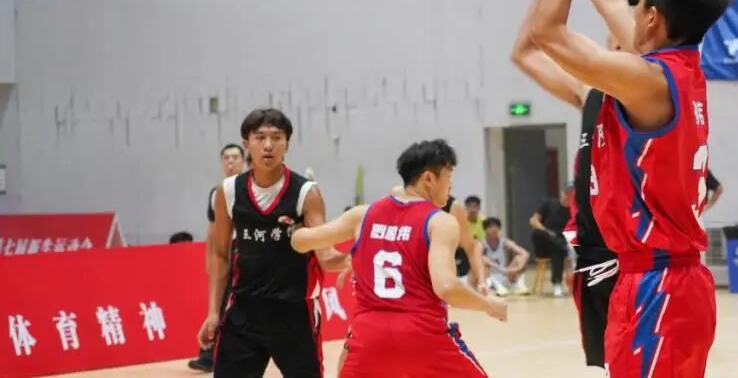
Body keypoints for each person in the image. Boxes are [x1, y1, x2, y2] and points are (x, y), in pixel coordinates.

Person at [529, 0, 730, 377]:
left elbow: (546, 33)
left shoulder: (647, 79)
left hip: (659, 285)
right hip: (656, 280)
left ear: (653, 18)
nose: (628, 10)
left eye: (637, 6)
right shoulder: (677, 65)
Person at [512, 0, 691, 371]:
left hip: (643, 258)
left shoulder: (648, 77)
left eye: (639, 13)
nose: (622, 17)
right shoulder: (613, 82)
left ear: (649, 25)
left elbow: (558, 27)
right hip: (605, 251)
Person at [290, 139, 507, 377]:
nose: (451, 185)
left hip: (368, 335)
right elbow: (446, 287)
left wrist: (349, 256)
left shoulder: (363, 214)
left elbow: (300, 242)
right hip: (422, 332)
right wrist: (489, 304)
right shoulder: (440, 222)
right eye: (448, 176)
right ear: (429, 178)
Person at [198, 109, 347, 378]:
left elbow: (325, 255)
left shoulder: (306, 193)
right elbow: (220, 255)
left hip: (294, 312)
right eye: (260, 137)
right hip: (244, 311)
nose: (268, 145)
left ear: (287, 144)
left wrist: (353, 259)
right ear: (247, 144)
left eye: (277, 138)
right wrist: (212, 312)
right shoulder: (228, 191)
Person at [188, 143, 248, 373]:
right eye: (226, 158)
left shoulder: (251, 189)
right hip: (229, 254)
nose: (230, 161)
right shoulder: (217, 194)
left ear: (243, 161)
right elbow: (213, 232)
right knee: (222, 303)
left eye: (235, 157)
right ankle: (209, 354)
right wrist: (211, 260)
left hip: (249, 253)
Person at [529, 187, 573, 297]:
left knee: (557, 250)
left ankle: (557, 283)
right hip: (544, 242)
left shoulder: (574, 210)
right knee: (538, 233)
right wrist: (548, 232)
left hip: (560, 245)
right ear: (562, 193)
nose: (567, 198)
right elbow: (533, 221)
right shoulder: (548, 204)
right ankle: (562, 246)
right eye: (566, 194)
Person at [480, 217, 531, 296]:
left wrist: (518, 268)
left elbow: (525, 253)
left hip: (505, 275)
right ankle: (497, 288)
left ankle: (520, 285)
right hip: (490, 277)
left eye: (496, 227)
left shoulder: (504, 241)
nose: (494, 229)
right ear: (485, 230)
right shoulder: (481, 244)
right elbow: (482, 260)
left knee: (519, 258)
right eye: (491, 227)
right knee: (483, 261)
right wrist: (502, 269)